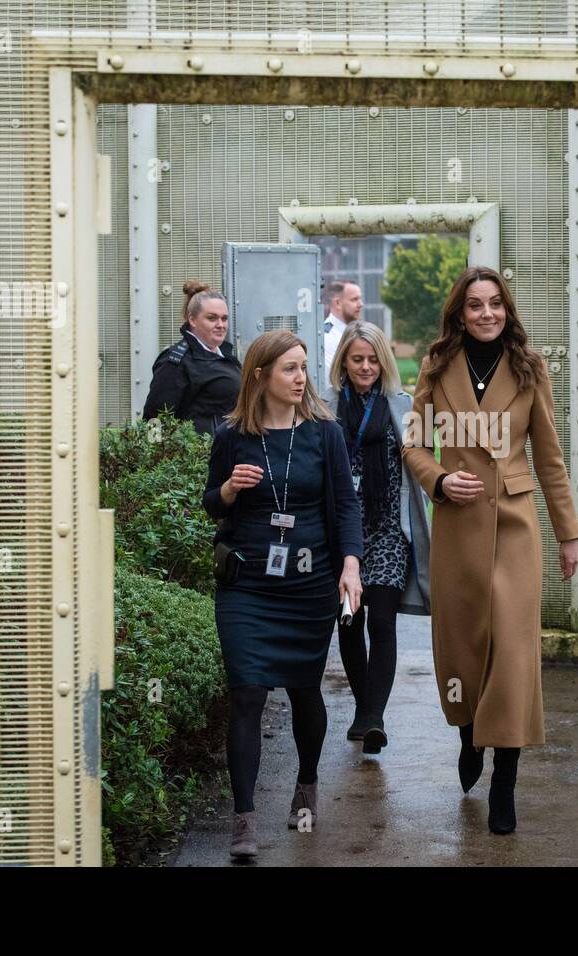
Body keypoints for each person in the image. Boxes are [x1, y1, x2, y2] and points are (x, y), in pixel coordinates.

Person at [401, 266, 578, 835]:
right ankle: (468, 736)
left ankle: (505, 777)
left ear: (507, 310)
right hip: (456, 527)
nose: (487, 314)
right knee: (462, 646)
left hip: (514, 526)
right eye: (475, 305)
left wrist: (570, 533)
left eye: (496, 305)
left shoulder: (530, 370)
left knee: (513, 650)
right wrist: (438, 480)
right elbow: (412, 443)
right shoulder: (434, 369)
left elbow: (549, 457)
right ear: (459, 313)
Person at [202, 330, 363, 861]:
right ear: (260, 376)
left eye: (302, 369)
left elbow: (345, 508)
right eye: (289, 369)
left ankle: (306, 786)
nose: (300, 379)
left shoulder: (324, 434)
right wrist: (228, 490)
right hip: (248, 585)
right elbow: (212, 503)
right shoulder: (232, 436)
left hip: (308, 584)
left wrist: (350, 564)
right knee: (247, 693)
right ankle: (244, 819)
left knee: (303, 691)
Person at [324, 321, 432, 755]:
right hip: (342, 534)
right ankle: (361, 707)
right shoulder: (324, 407)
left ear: (383, 362)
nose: (365, 367)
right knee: (350, 622)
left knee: (383, 621)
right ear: (343, 363)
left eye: (372, 359)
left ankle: (374, 717)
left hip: (388, 529)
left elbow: (420, 458)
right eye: (357, 359)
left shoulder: (401, 407)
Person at [143, 280, 244, 436]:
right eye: (212, 318)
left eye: (224, 319)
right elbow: (154, 418)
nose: (220, 325)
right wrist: (154, 457)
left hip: (230, 451)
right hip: (200, 455)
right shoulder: (175, 361)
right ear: (192, 320)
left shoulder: (225, 355)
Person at [321, 279, 363, 392]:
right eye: (354, 299)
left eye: (360, 299)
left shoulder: (350, 333)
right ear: (337, 303)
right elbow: (331, 384)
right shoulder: (327, 338)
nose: (361, 304)